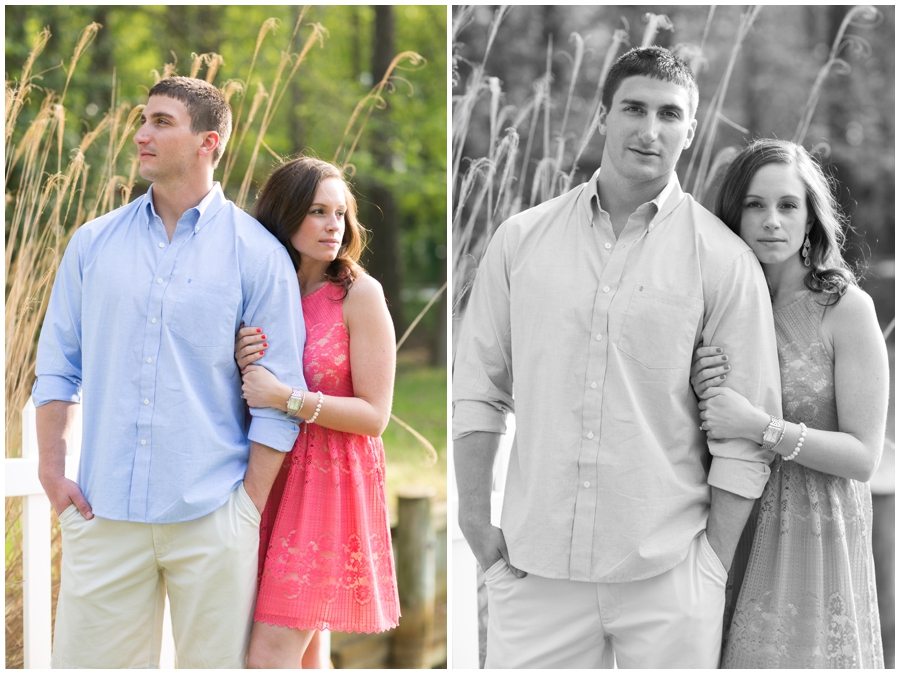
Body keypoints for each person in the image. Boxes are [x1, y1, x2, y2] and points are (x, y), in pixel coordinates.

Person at [452, 46, 783, 668]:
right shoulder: (521, 240)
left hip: (669, 573)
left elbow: (748, 430)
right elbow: (478, 387)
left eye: (668, 114)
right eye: (633, 107)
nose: (649, 130)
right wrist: (475, 520)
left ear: (691, 128)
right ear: (603, 114)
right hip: (534, 572)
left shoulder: (723, 260)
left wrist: (711, 563)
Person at [34, 76, 306, 668]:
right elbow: (57, 367)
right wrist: (53, 473)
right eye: (142, 120)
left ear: (208, 141)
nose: (141, 135)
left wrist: (245, 507)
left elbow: (282, 395)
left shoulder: (256, 254)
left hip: (213, 514)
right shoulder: (92, 244)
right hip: (102, 514)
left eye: (161, 122)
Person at [691, 138, 888, 668]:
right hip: (728, 526)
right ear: (733, 214)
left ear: (810, 218)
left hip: (814, 536)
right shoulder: (714, 305)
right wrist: (693, 379)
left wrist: (761, 426)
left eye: (787, 205)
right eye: (755, 205)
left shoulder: (844, 309)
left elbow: (863, 456)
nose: (771, 221)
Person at [233, 157, 400, 668]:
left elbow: (376, 415)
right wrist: (241, 361)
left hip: (329, 484)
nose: (335, 226)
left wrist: (285, 397)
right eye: (318, 212)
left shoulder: (358, 295)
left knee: (268, 659)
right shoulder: (264, 288)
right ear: (283, 215)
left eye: (342, 214)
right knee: (303, 659)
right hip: (271, 476)